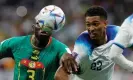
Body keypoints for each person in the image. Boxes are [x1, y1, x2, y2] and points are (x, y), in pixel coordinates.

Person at [0, 5, 77, 80]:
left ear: (52, 30)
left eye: (48, 27)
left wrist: (67, 57)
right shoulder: (16, 43)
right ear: (34, 26)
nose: (43, 29)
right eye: (40, 24)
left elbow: (66, 56)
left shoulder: (60, 48)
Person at [54, 6, 132, 80]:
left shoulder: (117, 33)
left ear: (105, 24)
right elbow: (59, 75)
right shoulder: (83, 46)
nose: (91, 28)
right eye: (88, 25)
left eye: (95, 24)